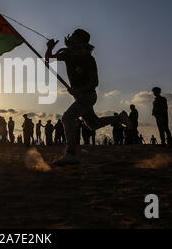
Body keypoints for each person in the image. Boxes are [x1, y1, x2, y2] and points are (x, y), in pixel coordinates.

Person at [45, 29, 131, 165]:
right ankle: (119, 118)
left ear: (81, 41)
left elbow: (94, 82)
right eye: (72, 35)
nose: (71, 37)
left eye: (74, 36)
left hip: (88, 96)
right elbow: (48, 59)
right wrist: (49, 48)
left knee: (67, 118)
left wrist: (78, 89)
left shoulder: (88, 59)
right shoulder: (66, 54)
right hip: (80, 97)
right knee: (93, 124)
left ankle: (71, 153)